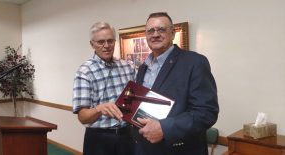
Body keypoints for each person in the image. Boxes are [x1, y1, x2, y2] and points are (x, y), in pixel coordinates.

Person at [132, 12, 219, 155]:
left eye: (161, 29)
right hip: (144, 147)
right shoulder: (143, 68)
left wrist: (164, 128)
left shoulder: (194, 62)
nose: (155, 34)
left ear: (172, 33)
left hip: (180, 150)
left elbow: (206, 112)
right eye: (151, 31)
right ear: (146, 35)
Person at [72, 22, 135, 155]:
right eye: (101, 42)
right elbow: (82, 117)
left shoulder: (127, 66)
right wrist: (99, 109)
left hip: (127, 136)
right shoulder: (85, 72)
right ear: (92, 44)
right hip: (98, 139)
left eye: (110, 41)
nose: (106, 46)